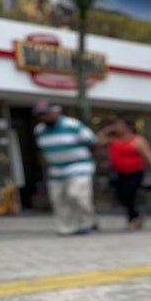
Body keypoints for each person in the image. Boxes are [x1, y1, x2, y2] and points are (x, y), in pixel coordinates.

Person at [32, 100, 97, 236]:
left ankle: (86, 222)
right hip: (56, 169)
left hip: (78, 165)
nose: (43, 117)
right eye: (40, 114)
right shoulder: (39, 130)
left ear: (55, 112)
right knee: (59, 199)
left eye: (46, 113)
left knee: (77, 195)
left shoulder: (72, 125)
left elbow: (92, 141)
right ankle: (66, 227)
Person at [98, 117, 151, 231]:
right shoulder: (114, 139)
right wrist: (108, 129)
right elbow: (98, 140)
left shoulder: (137, 140)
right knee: (120, 195)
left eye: (120, 125)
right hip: (118, 172)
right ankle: (137, 216)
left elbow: (149, 155)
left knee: (130, 194)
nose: (118, 128)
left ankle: (131, 219)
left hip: (134, 172)